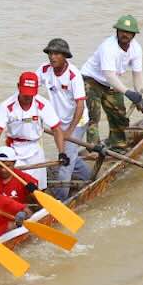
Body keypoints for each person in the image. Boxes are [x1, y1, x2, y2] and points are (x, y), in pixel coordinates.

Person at [0, 71, 66, 189]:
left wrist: (62, 152)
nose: (28, 97)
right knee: (17, 186)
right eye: (25, 93)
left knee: (40, 187)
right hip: (14, 150)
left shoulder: (43, 104)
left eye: (31, 94)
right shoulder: (7, 106)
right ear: (18, 87)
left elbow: (56, 129)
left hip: (35, 149)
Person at [81, 14, 143, 151]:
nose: (125, 34)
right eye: (122, 31)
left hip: (111, 83)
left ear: (134, 35)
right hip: (91, 80)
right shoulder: (108, 47)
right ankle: (93, 149)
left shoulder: (136, 49)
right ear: (117, 31)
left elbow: (137, 74)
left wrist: (140, 96)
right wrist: (128, 92)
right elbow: (109, 75)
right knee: (94, 115)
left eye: (128, 32)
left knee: (119, 115)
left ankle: (118, 144)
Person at [38, 38, 90, 195]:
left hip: (77, 121)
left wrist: (70, 131)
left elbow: (80, 105)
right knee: (69, 154)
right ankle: (88, 177)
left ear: (65, 56)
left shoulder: (74, 75)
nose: (52, 57)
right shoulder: (44, 69)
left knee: (65, 162)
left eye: (56, 54)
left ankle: (62, 200)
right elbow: (31, 86)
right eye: (50, 53)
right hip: (58, 123)